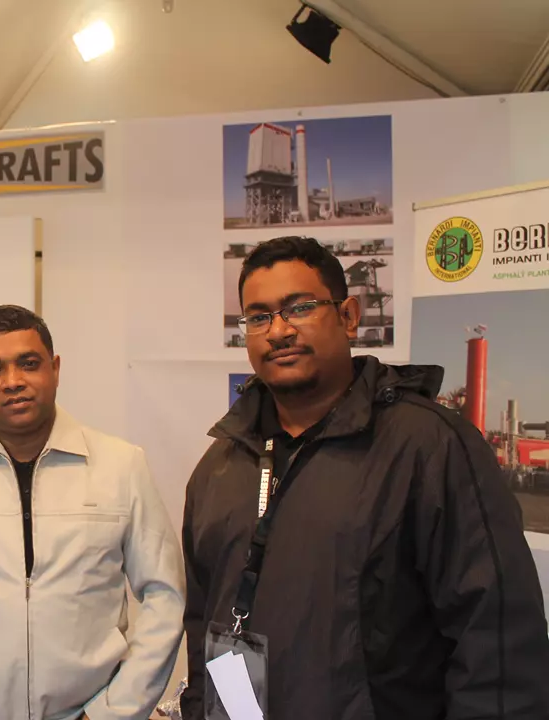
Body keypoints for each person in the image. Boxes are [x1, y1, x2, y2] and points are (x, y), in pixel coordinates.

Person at [181, 236, 549, 719]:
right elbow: (202, 621)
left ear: (349, 316)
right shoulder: (220, 466)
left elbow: (497, 645)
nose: (278, 331)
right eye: (259, 317)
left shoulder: (429, 447)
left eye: (300, 308)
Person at [0, 305, 185, 720]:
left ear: (55, 369)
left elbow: (165, 598)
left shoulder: (121, 466)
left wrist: (111, 714)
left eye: (29, 363)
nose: (12, 381)